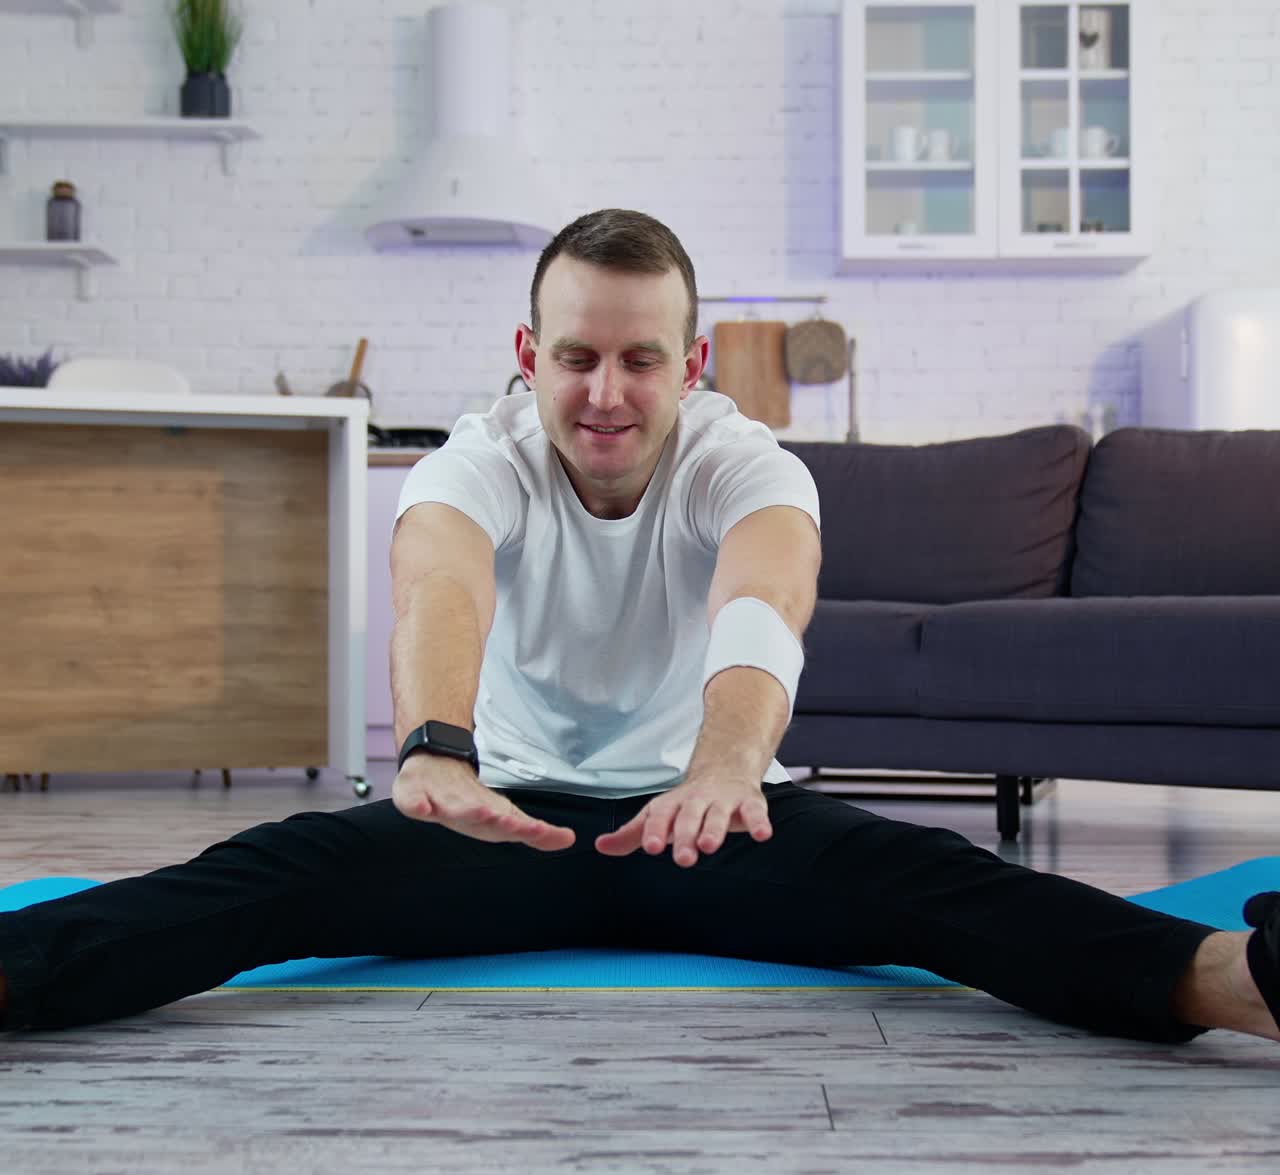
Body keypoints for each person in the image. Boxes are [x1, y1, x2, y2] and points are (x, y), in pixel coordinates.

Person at [1, 208, 1277, 1042]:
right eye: (574, 357)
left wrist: (725, 766)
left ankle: (1243, 980)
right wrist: (436, 750)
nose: (603, 392)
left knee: (941, 888)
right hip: (499, 818)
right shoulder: (476, 456)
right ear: (527, 353)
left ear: (693, 362)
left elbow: (762, 602)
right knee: (268, 876)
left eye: (639, 360)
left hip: (709, 824)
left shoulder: (749, 464)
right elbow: (438, 583)